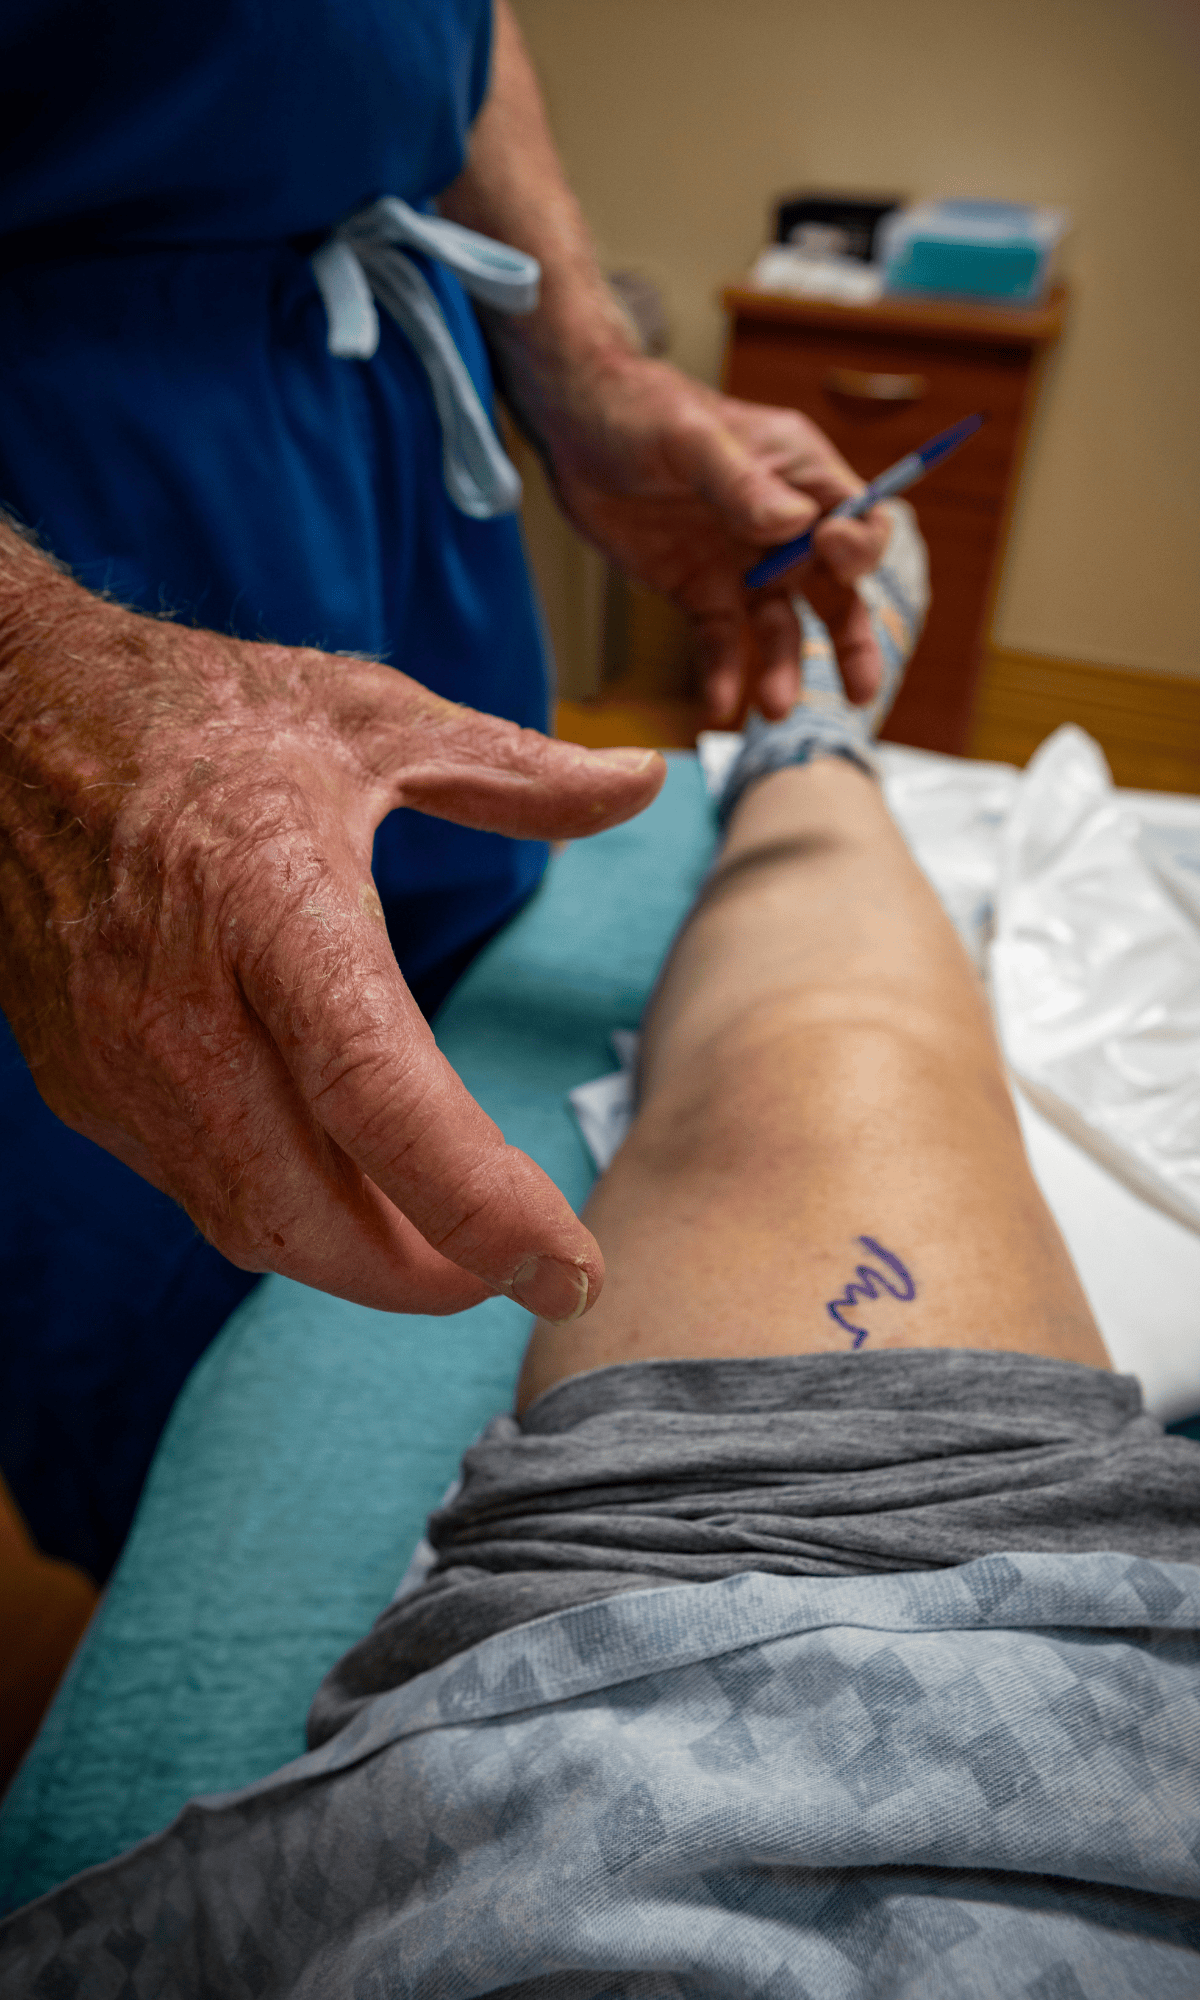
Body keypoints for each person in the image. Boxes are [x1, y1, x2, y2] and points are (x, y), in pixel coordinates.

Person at [4, 635, 1198, 1997]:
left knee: (827, 1029)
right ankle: (806, 736)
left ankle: (805, 736)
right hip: (929, 1596)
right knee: (836, 1030)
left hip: (694, 1687)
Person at [0, 0, 891, 1578]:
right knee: (150, 1184)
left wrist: (586, 370)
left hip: (377, 434)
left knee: (451, 1002)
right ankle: (177, 1569)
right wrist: (30, 692)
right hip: (67, 470)